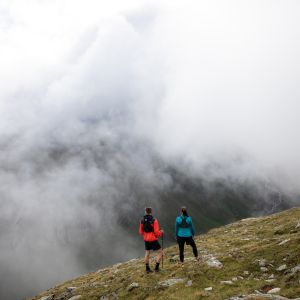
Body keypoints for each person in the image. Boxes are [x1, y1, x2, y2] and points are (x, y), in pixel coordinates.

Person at [139, 207, 164, 273]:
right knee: (160, 252)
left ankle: (147, 269)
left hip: (146, 239)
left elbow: (140, 232)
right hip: (153, 239)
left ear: (145, 211)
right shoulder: (154, 220)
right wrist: (161, 232)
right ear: (151, 212)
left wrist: (146, 234)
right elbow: (156, 232)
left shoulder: (142, 220)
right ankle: (156, 268)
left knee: (147, 253)